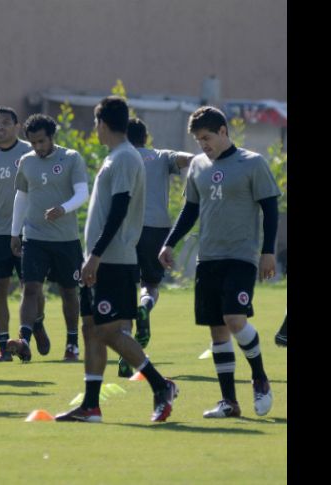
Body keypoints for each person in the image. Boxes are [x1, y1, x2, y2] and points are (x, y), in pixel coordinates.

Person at [56, 96, 178, 423]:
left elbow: (120, 209)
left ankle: (160, 385)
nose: (94, 129)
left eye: (95, 123)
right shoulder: (115, 157)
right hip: (99, 259)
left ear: (102, 123)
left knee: (109, 331)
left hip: (113, 260)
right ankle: (91, 406)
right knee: (91, 329)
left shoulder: (124, 157)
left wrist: (95, 255)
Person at [158, 105, 280, 419]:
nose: (203, 145)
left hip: (241, 256)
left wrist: (269, 252)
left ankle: (260, 378)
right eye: (198, 140)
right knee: (217, 331)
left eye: (207, 137)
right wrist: (169, 242)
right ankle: (229, 402)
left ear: (223, 131)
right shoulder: (198, 165)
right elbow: (190, 211)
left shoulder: (253, 163)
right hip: (208, 258)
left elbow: (270, 210)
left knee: (234, 319)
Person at [115, 118, 195, 377]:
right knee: (150, 285)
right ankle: (146, 305)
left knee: (125, 288)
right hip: (157, 229)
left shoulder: (120, 159)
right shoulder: (160, 156)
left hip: (126, 229)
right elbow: (188, 159)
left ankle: (126, 349)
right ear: (146, 137)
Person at [8, 114, 89, 362]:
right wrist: (15, 232)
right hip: (34, 236)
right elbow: (21, 196)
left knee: (68, 292)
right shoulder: (26, 161)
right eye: (33, 143)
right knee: (30, 288)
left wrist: (63, 208)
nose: (38, 148)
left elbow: (83, 193)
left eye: (42, 141)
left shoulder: (71, 158)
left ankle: (72, 344)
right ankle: (24, 341)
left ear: (52, 136)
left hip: (66, 239)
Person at [0, 107, 45, 362]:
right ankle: (5, 347)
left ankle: (36, 323)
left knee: (32, 287)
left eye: (5, 123)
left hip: (28, 232)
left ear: (17, 126)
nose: (0, 127)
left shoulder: (29, 151)